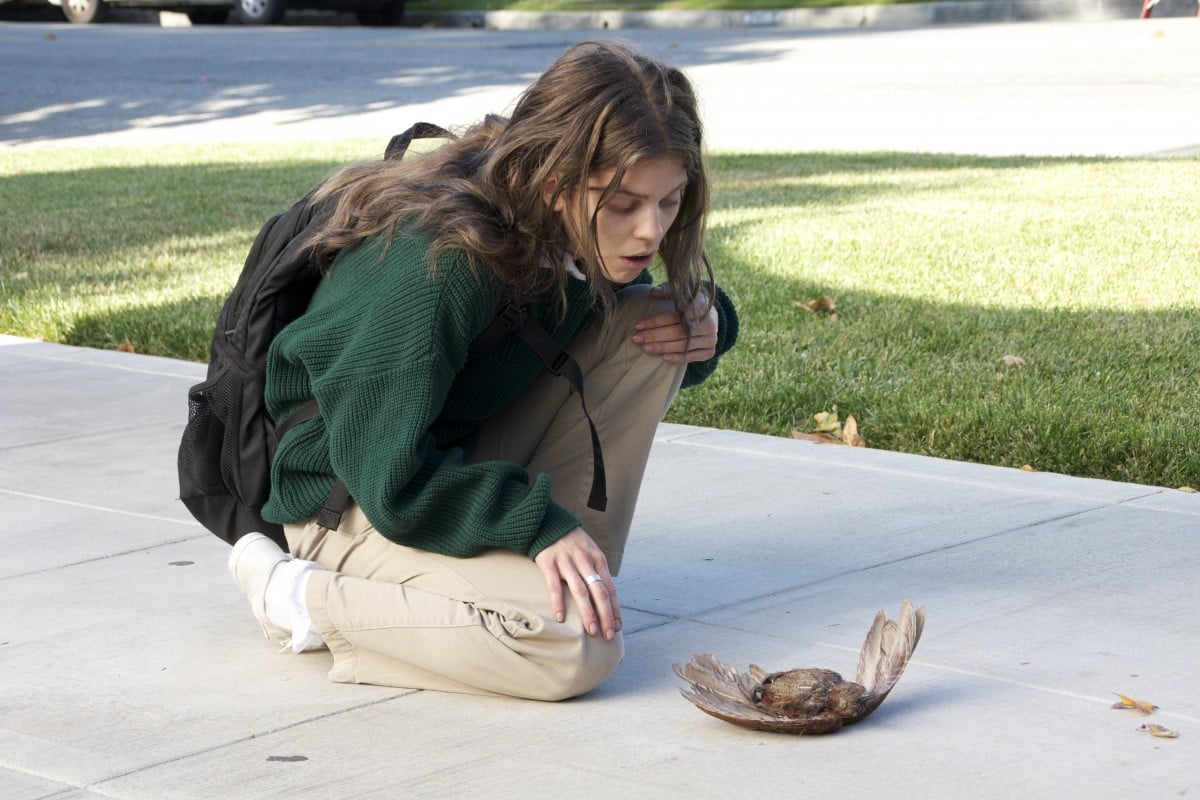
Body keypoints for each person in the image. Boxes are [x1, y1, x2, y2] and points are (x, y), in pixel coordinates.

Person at [227, 39, 738, 701]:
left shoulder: (569, 233)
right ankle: (297, 594)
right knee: (574, 649)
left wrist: (709, 325)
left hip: (449, 454)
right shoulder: (432, 267)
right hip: (350, 501)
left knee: (651, 322)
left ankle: (558, 575)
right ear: (555, 183)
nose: (650, 231)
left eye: (668, 202)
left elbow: (643, 350)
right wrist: (532, 523)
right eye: (623, 205)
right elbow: (389, 479)